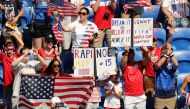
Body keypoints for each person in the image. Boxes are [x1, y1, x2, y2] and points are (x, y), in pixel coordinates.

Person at [61, 7, 100, 74]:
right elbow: (66, 29)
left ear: (87, 15)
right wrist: (59, 21)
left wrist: (92, 39)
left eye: (83, 13)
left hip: (86, 53)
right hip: (75, 52)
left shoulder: (92, 25)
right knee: (76, 71)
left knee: (85, 72)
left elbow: (97, 37)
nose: (81, 15)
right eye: (80, 13)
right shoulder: (76, 23)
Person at [0, 31, 24, 109]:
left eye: (11, 48)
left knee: (15, 100)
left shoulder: (16, 54)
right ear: (6, 49)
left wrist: (15, 35)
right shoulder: (3, 56)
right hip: (7, 82)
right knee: (7, 100)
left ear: (13, 48)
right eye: (8, 48)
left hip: (16, 81)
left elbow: (22, 44)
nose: (9, 51)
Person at [154, 43, 178, 109]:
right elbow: (158, 65)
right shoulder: (156, 65)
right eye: (163, 57)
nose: (166, 59)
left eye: (167, 58)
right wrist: (166, 55)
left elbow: (176, 64)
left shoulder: (171, 66)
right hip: (159, 97)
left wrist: (171, 54)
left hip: (171, 97)